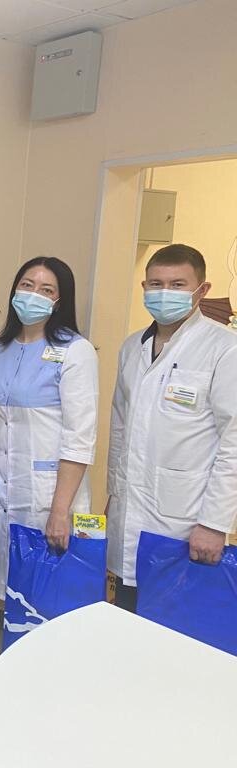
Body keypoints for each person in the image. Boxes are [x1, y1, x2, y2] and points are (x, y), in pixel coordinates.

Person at [106, 244, 237, 611]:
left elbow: (233, 443)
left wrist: (214, 523)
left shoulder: (224, 349)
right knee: (128, 608)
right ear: (144, 287)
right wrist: (114, 492)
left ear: (202, 290)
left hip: (188, 520)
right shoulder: (132, 346)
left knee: (176, 620)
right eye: (156, 284)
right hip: (130, 508)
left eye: (178, 284)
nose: (165, 293)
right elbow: (120, 426)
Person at [0, 256, 98, 599]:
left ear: (59, 300)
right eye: (27, 285)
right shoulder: (1, 347)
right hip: (3, 484)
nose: (33, 295)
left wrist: (60, 511)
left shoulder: (76, 350)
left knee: (47, 593)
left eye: (46, 290)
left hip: (48, 492)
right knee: (10, 593)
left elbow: (79, 438)